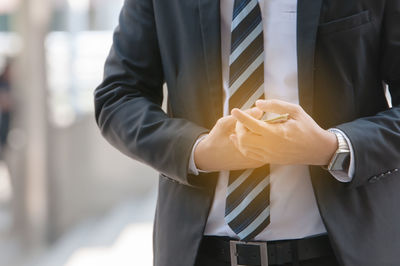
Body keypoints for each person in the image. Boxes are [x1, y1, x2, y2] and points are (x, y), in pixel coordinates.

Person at [94, 0, 400, 265]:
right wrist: (196, 150)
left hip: (341, 250)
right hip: (199, 252)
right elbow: (118, 96)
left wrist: (332, 148)